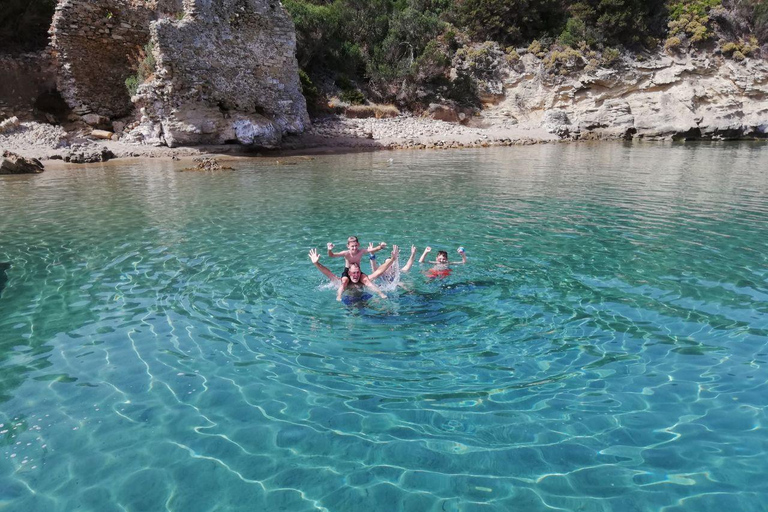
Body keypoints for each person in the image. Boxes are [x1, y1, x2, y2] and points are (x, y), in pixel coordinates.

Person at [310, 245, 400, 301]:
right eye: (353, 273)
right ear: (349, 273)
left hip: (364, 298)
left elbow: (380, 271)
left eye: (357, 272)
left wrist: (392, 259)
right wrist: (316, 263)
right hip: (348, 300)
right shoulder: (343, 283)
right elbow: (328, 273)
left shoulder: (364, 280)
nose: (356, 275)